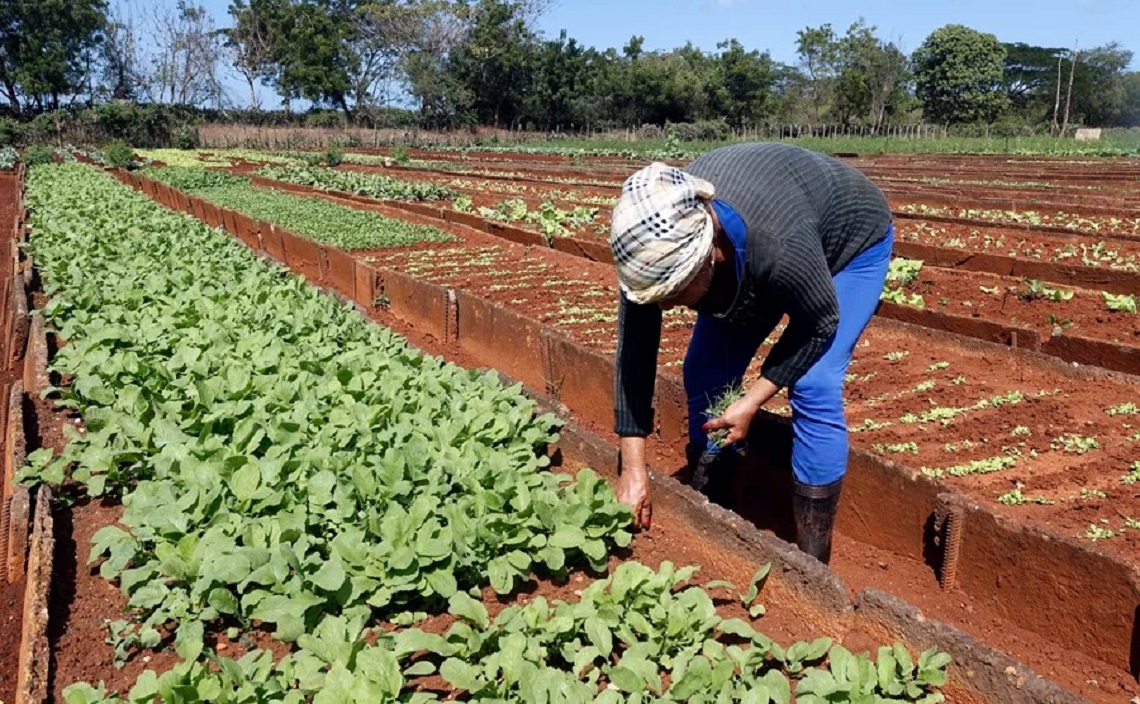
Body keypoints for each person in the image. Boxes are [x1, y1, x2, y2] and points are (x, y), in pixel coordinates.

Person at [609, 142, 893, 563]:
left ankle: (815, 563)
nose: (667, 307)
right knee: (704, 370)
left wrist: (753, 400)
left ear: (711, 255)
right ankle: (717, 509)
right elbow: (634, 356)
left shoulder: (777, 243)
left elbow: (819, 322)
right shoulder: (649, 248)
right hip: (765, 242)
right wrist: (633, 470)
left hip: (850, 243)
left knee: (815, 382)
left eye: (675, 294)